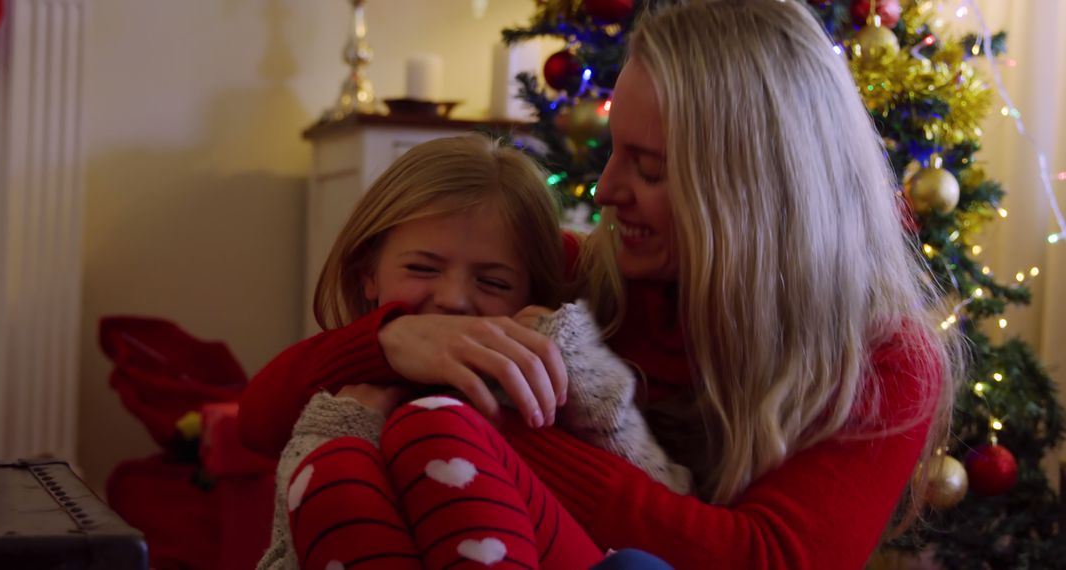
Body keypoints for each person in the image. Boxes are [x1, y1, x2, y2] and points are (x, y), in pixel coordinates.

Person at [241, 0, 960, 567]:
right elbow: (260, 421)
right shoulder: (568, 274)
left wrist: (493, 426)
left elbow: (767, 559)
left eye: (649, 169)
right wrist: (392, 339)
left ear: (752, 192)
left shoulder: (885, 361)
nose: (609, 189)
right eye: (614, 154)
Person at [255, 134, 687, 570]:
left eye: (494, 283)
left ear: (529, 295)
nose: (454, 300)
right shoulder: (343, 409)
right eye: (423, 268)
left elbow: (658, 486)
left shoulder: (566, 380)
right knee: (334, 469)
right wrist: (382, 348)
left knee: (427, 428)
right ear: (367, 273)